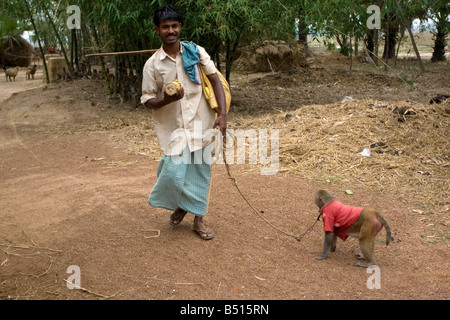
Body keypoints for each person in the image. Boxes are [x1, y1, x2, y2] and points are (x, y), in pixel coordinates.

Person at [141, 5, 227, 240]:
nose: (171, 30)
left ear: (180, 27)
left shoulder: (195, 52)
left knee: (201, 171)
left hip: (202, 123)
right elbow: (147, 100)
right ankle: (182, 204)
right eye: (165, 27)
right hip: (174, 129)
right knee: (171, 173)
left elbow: (216, 80)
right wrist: (165, 100)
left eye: (174, 26)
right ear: (157, 30)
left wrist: (222, 114)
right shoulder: (153, 64)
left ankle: (198, 219)